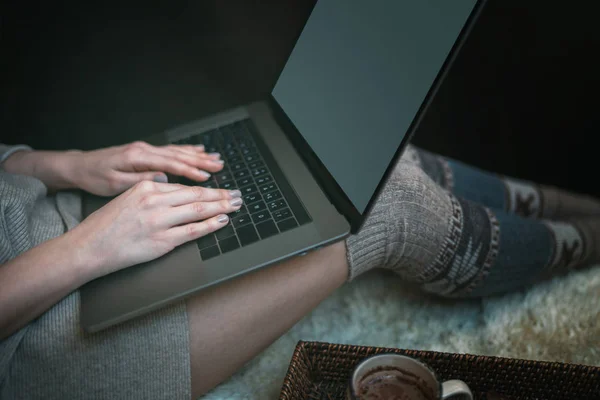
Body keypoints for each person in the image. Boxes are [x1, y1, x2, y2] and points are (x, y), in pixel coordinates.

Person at [1, 140, 599, 399]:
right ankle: (589, 242)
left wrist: (68, 164)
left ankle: (583, 215)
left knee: (363, 163)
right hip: (48, 336)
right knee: (381, 207)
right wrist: (86, 249)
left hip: (78, 212)